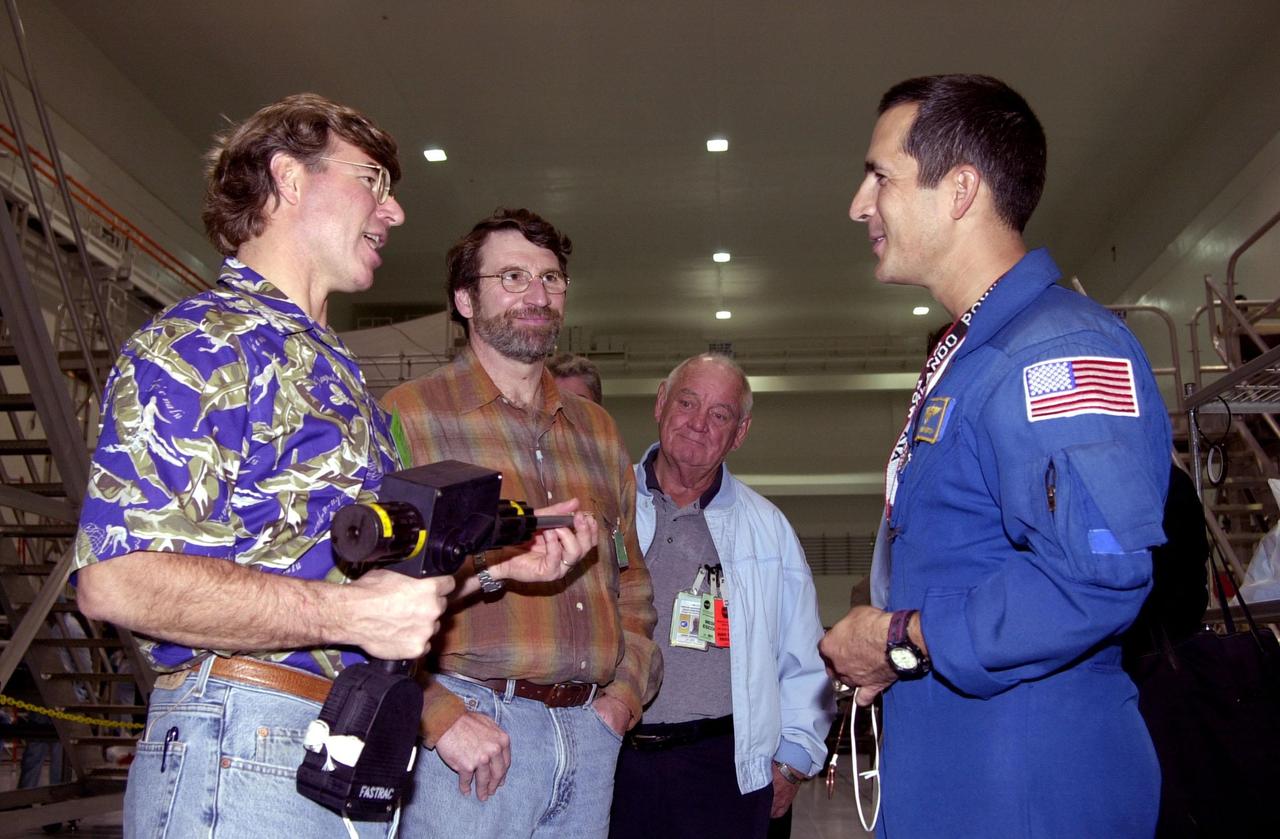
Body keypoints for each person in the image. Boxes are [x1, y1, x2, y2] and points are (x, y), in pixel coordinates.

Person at [72, 96, 593, 838]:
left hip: (338, 741)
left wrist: (501, 569)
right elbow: (117, 578)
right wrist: (350, 614)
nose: (395, 211)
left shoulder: (333, 372)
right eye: (372, 180)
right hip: (244, 739)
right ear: (287, 178)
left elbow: (335, 572)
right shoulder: (204, 341)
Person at [818, 75, 1171, 837]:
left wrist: (897, 638)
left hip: (1029, 786)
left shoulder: (1056, 351)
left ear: (959, 190)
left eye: (880, 176)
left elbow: (1096, 574)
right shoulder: (975, 352)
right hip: (960, 773)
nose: (859, 203)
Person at [383, 207, 659, 838]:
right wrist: (436, 714)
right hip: (474, 735)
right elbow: (369, 593)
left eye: (551, 279)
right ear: (463, 299)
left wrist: (623, 698)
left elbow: (633, 585)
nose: (538, 295)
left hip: (590, 736)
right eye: (512, 278)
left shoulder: (598, 431)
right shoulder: (409, 418)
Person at [609, 354, 832, 839]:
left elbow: (804, 657)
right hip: (608, 758)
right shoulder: (607, 502)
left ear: (740, 432)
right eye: (687, 402)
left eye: (720, 414)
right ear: (661, 404)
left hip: (723, 769)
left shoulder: (767, 530)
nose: (697, 424)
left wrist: (793, 761)